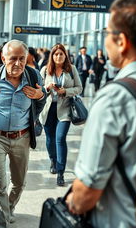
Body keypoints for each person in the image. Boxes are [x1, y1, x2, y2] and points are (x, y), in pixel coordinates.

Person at [66, 0, 136, 227]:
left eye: (107, 32)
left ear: (121, 41)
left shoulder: (116, 98)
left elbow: (86, 193)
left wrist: (73, 200)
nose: (105, 39)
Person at [0, 39, 46, 228]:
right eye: (12, 58)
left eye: (21, 59)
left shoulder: (33, 76)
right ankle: (2, 223)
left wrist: (40, 96)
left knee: (19, 183)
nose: (17, 64)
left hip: (22, 137)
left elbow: (41, 101)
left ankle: (9, 207)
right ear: (3, 57)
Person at [39, 43, 82, 186]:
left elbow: (79, 88)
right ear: (52, 56)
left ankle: (61, 172)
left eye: (61, 54)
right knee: (50, 140)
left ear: (65, 56)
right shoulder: (45, 70)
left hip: (64, 110)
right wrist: (46, 87)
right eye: (56, 54)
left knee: (60, 138)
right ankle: (53, 160)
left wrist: (66, 91)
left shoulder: (71, 69)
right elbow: (37, 88)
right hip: (48, 109)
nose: (58, 56)